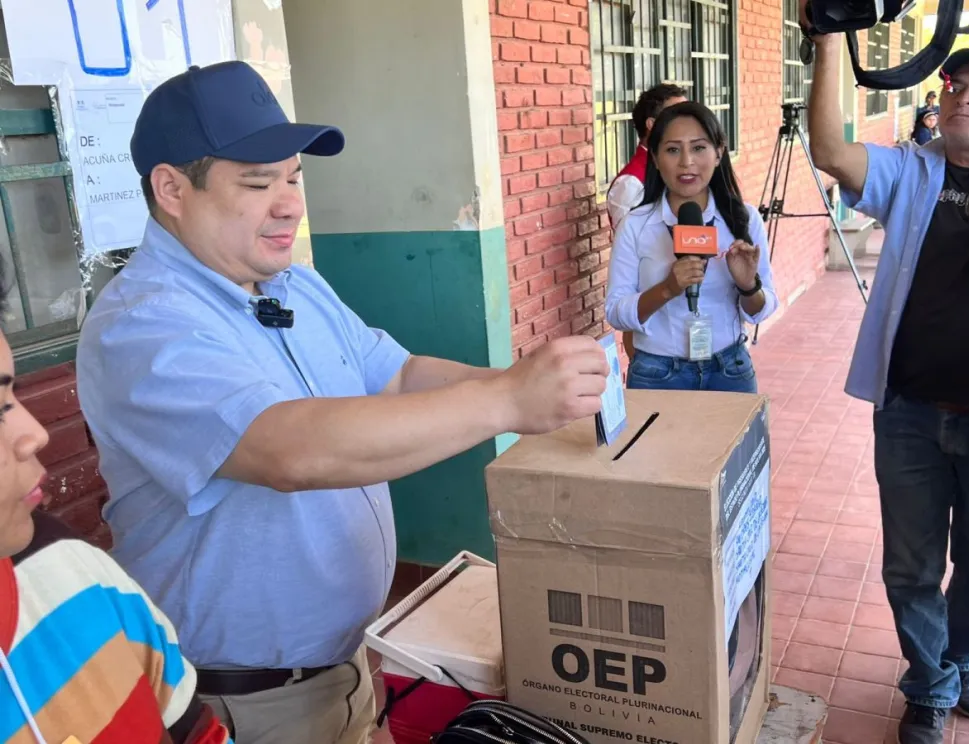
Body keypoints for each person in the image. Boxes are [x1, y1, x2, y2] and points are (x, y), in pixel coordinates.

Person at [73, 61, 608, 744]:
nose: (290, 203)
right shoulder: (143, 325)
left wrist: (521, 383)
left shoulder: (291, 287)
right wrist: (507, 402)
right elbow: (287, 450)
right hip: (248, 704)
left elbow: (397, 374)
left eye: (294, 177)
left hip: (348, 668)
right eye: (259, 182)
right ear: (172, 189)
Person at [808, 26, 969, 744]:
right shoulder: (913, 171)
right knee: (911, 567)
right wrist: (828, 36)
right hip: (911, 415)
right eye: (956, 87)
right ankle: (932, 685)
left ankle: (959, 656)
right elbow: (829, 151)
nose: (963, 99)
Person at [0, 257, 232, 743]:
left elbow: (196, 731)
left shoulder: (66, 569)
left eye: (11, 397)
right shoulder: (139, 319)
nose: (33, 435)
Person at [604, 101, 779, 394]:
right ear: (657, 159)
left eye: (698, 148)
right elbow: (615, 311)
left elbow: (761, 310)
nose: (687, 162)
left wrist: (748, 285)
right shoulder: (635, 226)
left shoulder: (743, 219)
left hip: (730, 370)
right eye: (673, 150)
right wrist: (667, 288)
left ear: (719, 152)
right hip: (658, 374)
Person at [606, 83, 688, 361]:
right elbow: (632, 264)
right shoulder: (630, 184)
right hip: (651, 311)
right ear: (652, 124)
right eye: (676, 113)